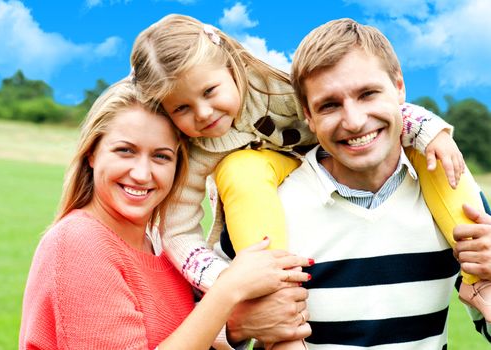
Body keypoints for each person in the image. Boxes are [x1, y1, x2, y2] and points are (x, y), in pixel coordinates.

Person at [130, 13, 465, 285]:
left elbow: (368, 110)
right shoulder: (198, 149)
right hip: (276, 179)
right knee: (240, 168)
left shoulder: (280, 88)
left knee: (430, 150)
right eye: (180, 109)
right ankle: (273, 285)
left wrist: (431, 131)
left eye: (209, 91)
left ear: (232, 67)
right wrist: (222, 278)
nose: (203, 114)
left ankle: (481, 272)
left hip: (333, 162)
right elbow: (176, 227)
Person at [18, 78, 312, 350]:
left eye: (161, 156)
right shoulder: (79, 242)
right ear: (92, 153)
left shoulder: (163, 246)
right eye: (125, 151)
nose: (142, 173)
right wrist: (229, 289)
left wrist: (234, 326)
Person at [264, 17, 491, 348]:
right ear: (308, 116)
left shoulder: (452, 195)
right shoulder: (272, 205)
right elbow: (213, 330)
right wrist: (238, 329)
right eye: (329, 105)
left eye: (368, 94)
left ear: (399, 88)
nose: (354, 121)